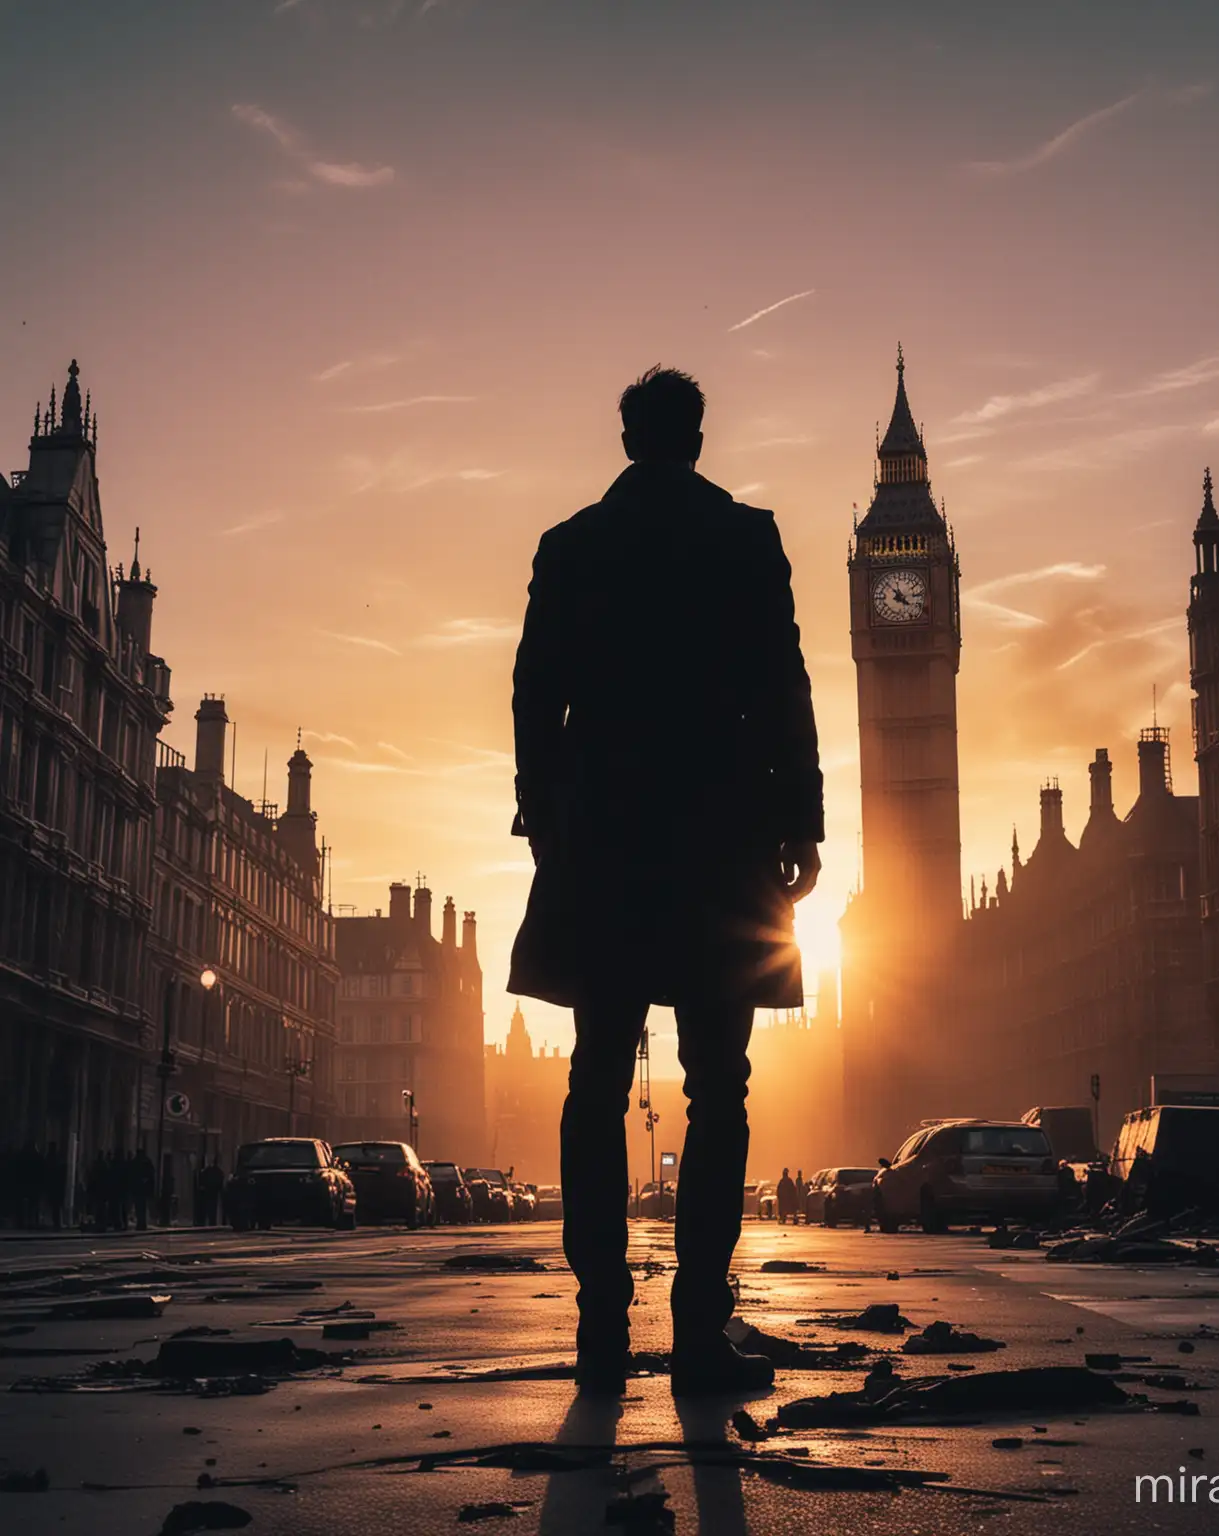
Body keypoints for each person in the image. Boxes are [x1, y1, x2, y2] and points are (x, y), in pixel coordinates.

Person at [510, 367, 823, 1398]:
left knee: (596, 1077)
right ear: (695, 436)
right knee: (718, 1086)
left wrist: (547, 811)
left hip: (602, 836)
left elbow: (532, 693)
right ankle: (698, 1328)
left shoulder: (571, 546)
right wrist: (801, 823)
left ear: (626, 437)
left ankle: (602, 1324)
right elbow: (785, 683)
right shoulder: (744, 539)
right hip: (719, 842)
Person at [130, 1146, 156, 1230]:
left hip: (138, 1189)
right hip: (143, 1189)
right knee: (142, 1207)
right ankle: (142, 1223)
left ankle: (140, 1223)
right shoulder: (147, 1162)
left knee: (139, 1207)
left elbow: (131, 1174)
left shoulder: (136, 1162)